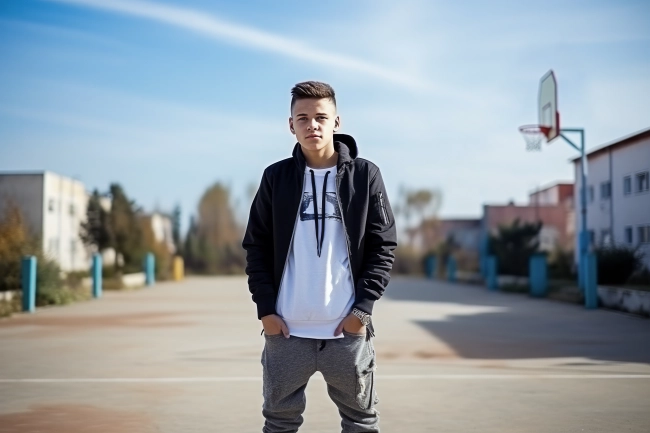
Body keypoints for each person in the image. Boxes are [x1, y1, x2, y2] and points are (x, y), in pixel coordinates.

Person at [242, 80, 397, 433]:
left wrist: (362, 312)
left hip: (346, 331)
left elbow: (383, 245)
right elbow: (256, 246)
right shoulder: (275, 177)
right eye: (303, 118)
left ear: (336, 122)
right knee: (279, 424)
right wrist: (266, 310)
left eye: (320, 117)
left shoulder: (365, 175)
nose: (312, 125)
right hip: (285, 330)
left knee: (361, 423)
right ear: (291, 125)